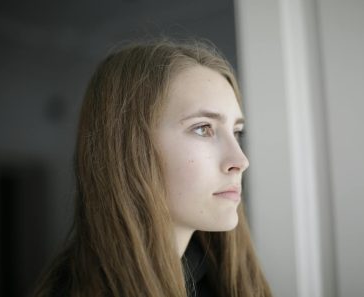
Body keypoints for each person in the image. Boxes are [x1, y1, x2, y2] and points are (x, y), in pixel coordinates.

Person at [33, 38, 272, 297]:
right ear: (128, 147)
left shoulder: (226, 281)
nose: (240, 161)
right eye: (203, 128)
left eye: (237, 131)